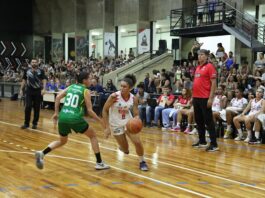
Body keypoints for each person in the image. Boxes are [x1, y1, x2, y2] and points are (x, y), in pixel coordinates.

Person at [35, 72, 110, 170]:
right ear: (84, 80)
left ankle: (42, 153)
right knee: (93, 136)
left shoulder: (71, 87)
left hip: (63, 117)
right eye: (90, 78)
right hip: (75, 118)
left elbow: (57, 97)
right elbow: (90, 111)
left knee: (62, 141)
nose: (91, 80)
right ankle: (99, 162)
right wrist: (101, 121)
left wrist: (56, 113)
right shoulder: (85, 91)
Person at [102, 74, 148, 171]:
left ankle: (142, 161)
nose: (122, 88)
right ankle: (123, 148)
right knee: (126, 150)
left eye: (124, 86)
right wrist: (106, 128)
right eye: (121, 86)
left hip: (128, 122)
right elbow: (104, 110)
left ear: (130, 88)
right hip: (115, 124)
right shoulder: (114, 97)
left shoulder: (134, 98)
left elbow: (135, 113)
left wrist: (137, 119)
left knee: (137, 142)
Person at [192, 49, 218, 152]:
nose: (199, 56)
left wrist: (211, 98)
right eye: (199, 55)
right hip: (196, 97)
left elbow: (214, 83)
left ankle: (214, 144)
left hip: (205, 98)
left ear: (207, 56)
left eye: (202, 55)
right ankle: (202, 141)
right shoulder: (198, 67)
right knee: (199, 120)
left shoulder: (210, 67)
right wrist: (192, 97)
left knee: (209, 121)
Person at [20, 58, 47, 129]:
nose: (34, 63)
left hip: (37, 91)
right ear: (31, 63)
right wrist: (21, 89)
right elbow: (24, 80)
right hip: (29, 91)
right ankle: (26, 124)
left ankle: (35, 123)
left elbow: (44, 79)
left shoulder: (41, 71)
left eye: (35, 62)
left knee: (37, 108)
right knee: (28, 107)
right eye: (33, 62)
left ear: (37, 63)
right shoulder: (26, 70)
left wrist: (44, 88)